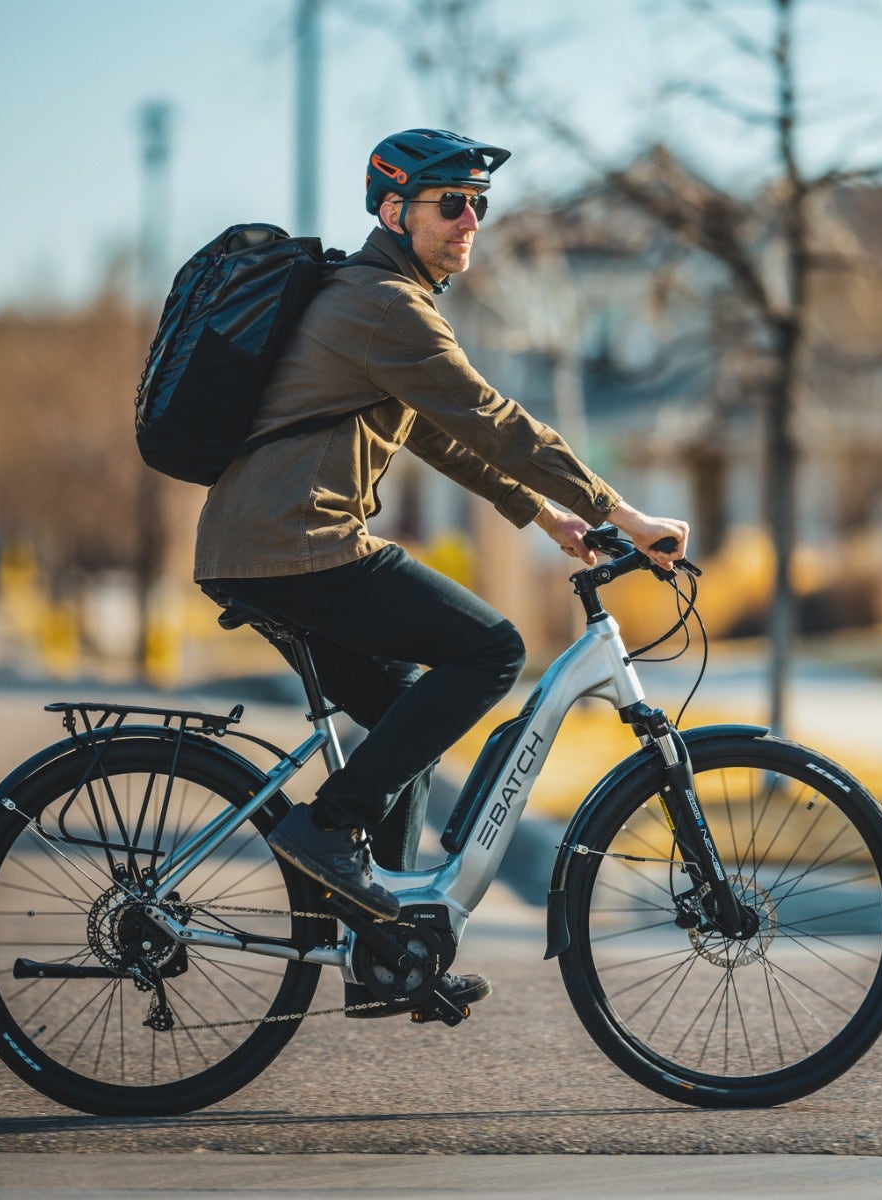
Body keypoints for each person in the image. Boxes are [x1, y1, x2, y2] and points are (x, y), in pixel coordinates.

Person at [194, 128, 688, 1014]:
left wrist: (541, 513)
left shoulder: (372, 300)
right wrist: (627, 515)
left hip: (264, 547)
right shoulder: (385, 303)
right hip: (296, 543)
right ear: (394, 211)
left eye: (478, 206)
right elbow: (494, 419)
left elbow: (430, 427)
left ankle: (385, 948)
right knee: (492, 651)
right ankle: (330, 831)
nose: (470, 221)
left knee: (403, 721)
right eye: (449, 204)